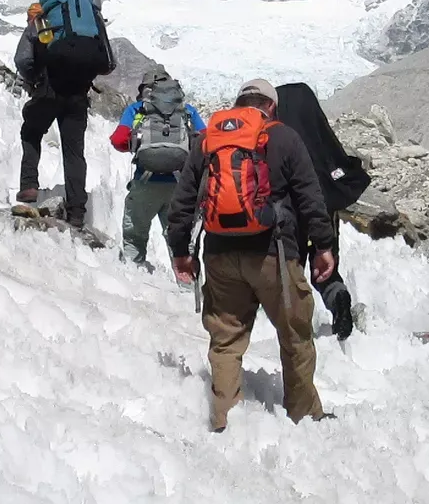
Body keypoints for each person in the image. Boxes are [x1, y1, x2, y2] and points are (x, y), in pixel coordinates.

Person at [166, 78, 335, 432]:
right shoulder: (285, 137)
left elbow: (182, 202)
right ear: (271, 106)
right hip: (275, 255)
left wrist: (181, 252)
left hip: (220, 257)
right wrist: (323, 247)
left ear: (239, 102)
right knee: (295, 337)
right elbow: (310, 197)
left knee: (225, 341)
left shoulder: (209, 140)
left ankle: (225, 420)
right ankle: (305, 417)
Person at [275, 82, 371, 341]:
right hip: (323, 213)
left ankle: (295, 325)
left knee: (289, 269)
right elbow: (341, 163)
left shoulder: (278, 135)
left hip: (290, 214)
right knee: (325, 268)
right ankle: (337, 297)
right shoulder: (317, 132)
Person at [107, 67, 206, 269]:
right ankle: (186, 289)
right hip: (180, 187)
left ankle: (134, 278)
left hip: (145, 182)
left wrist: (137, 145)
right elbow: (206, 142)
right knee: (180, 241)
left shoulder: (137, 109)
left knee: (135, 235)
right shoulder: (187, 111)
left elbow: (118, 141)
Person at [14, 2, 90, 228]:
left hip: (47, 91)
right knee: (74, 152)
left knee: (31, 132)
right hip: (77, 94)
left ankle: (29, 185)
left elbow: (22, 60)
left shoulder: (38, 25)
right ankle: (77, 211)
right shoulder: (78, 26)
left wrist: (34, 79)